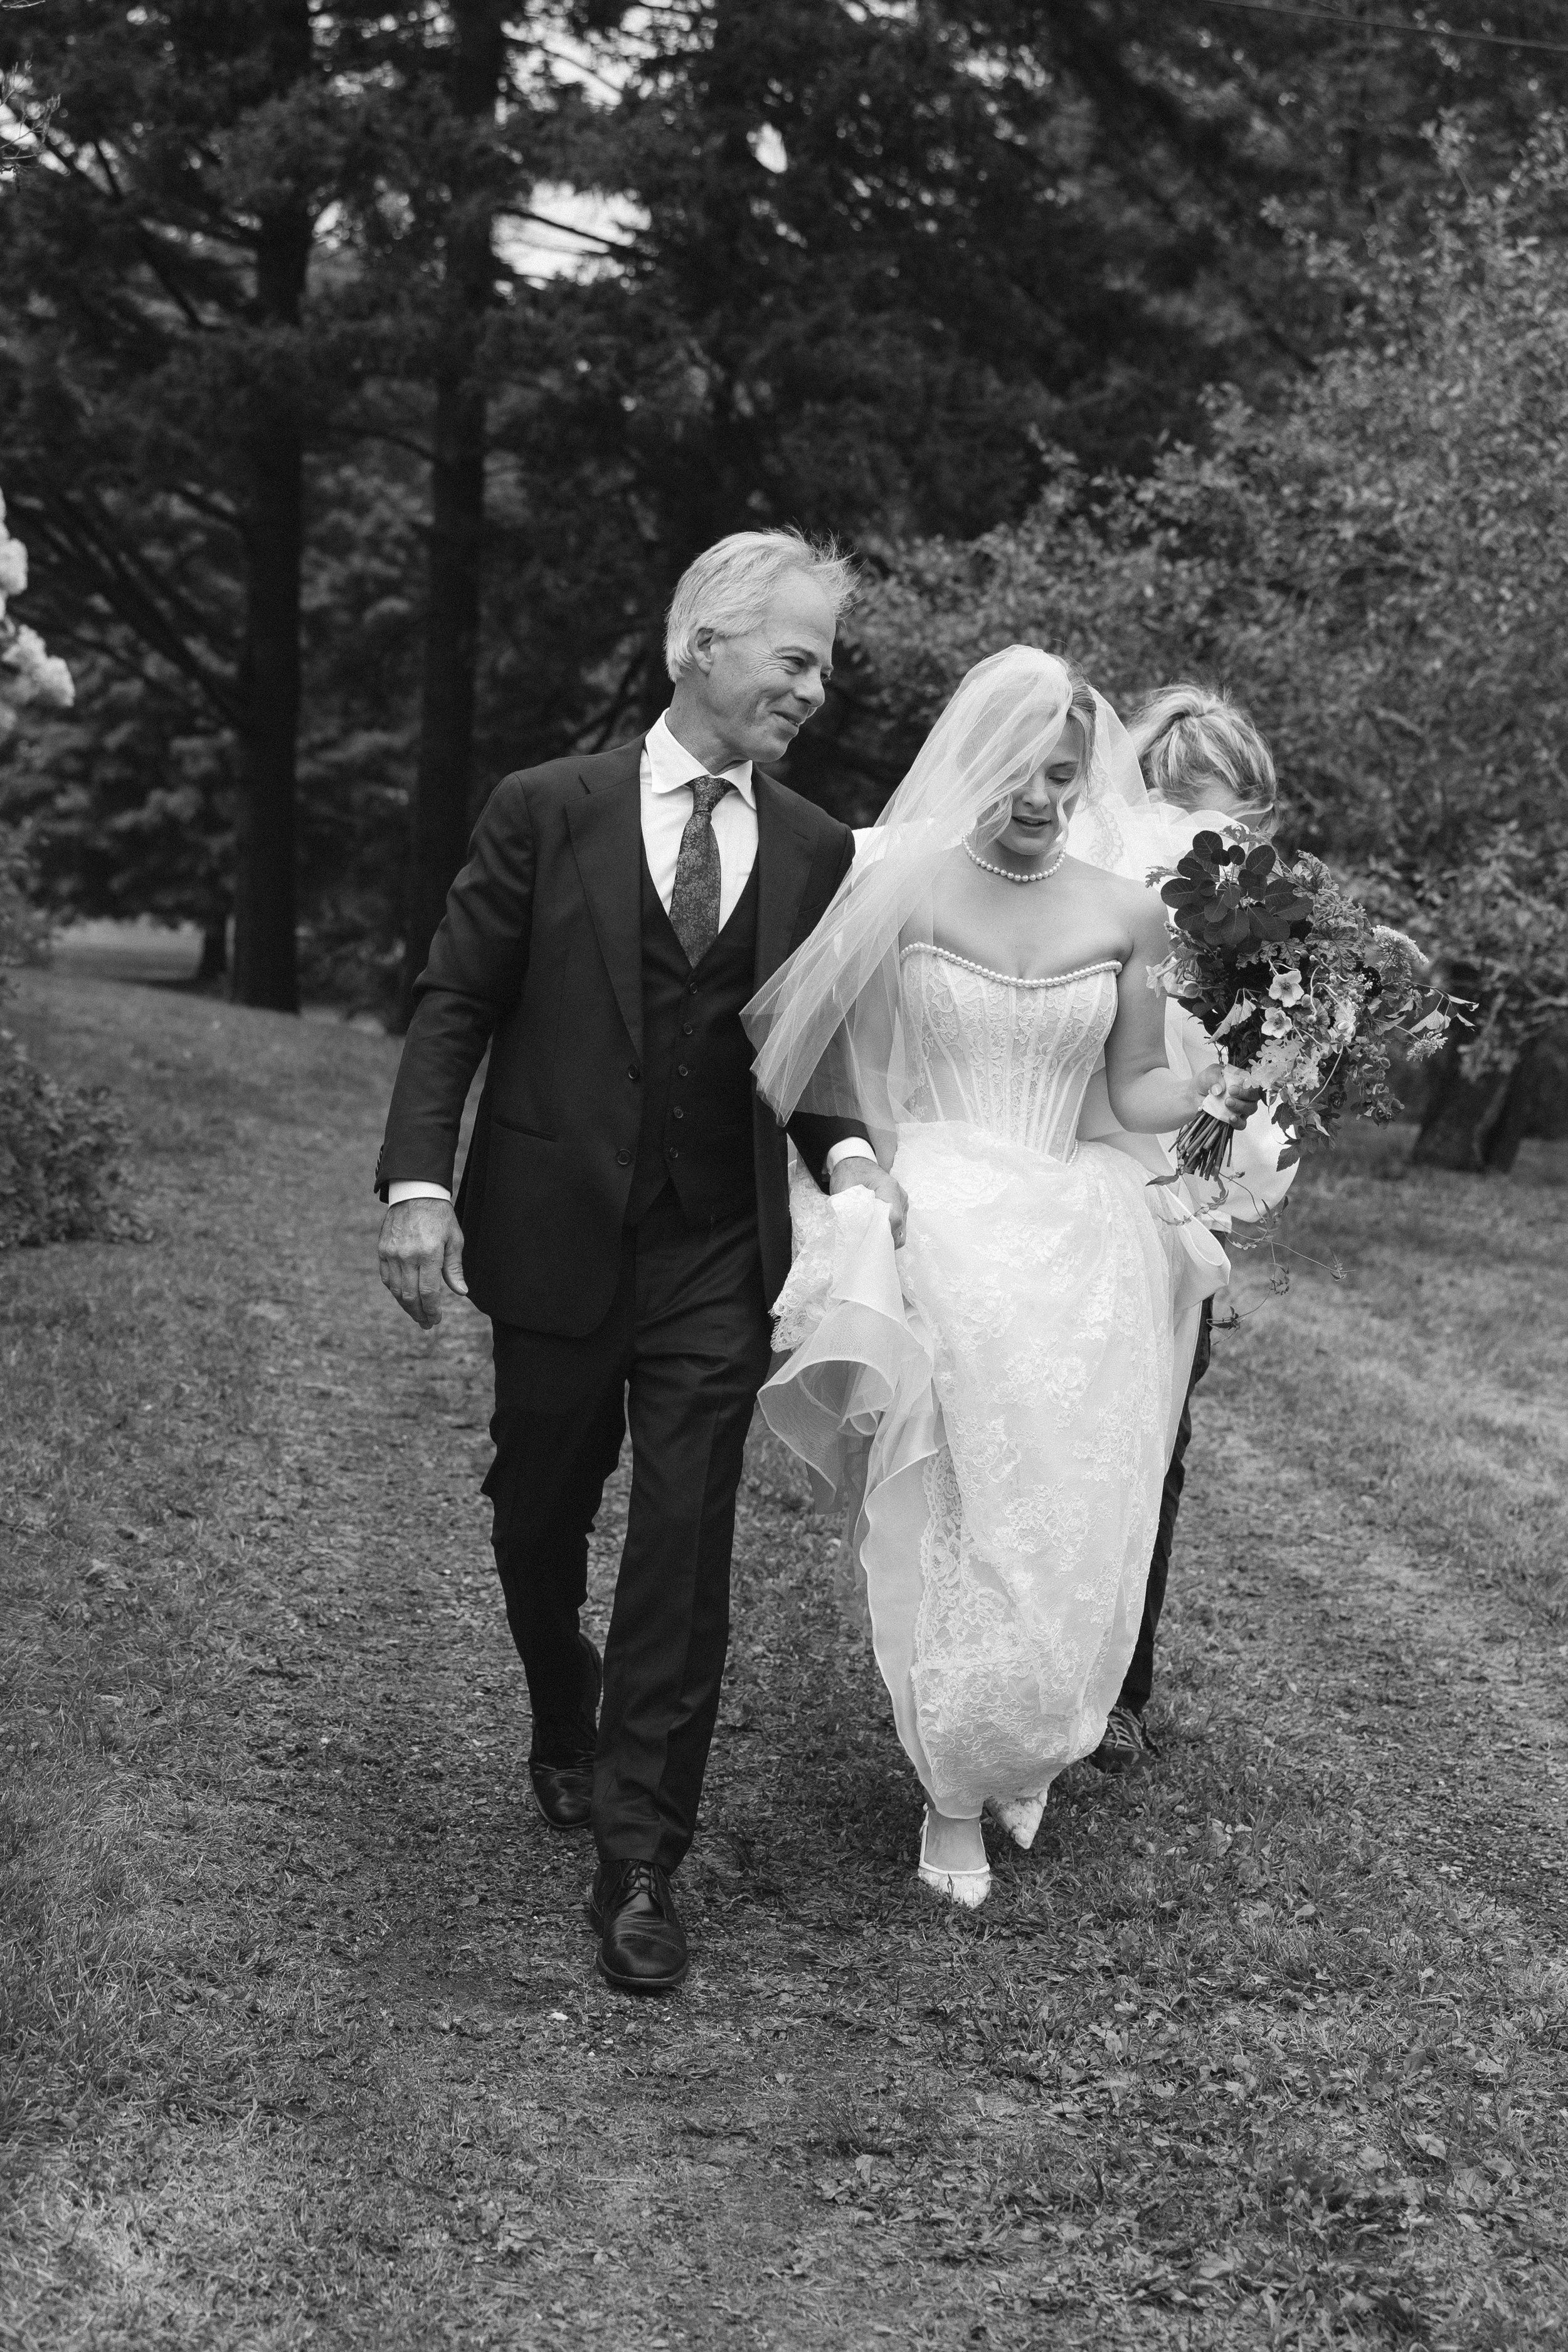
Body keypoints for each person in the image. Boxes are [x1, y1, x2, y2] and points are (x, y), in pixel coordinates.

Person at [374, 529, 904, 1993]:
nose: (813, 688)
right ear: (700, 646)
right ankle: (561, 1704)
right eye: (794, 658)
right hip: (551, 1233)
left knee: (683, 1539)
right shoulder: (548, 807)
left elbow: (804, 1052)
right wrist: (419, 1182)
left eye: (822, 666)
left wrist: (850, 1157)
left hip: (714, 1251)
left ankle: (641, 1856)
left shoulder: (815, 846)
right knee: (538, 1508)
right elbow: (453, 1002)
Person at [743, 647, 1255, 1908]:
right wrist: (863, 1177)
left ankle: (1022, 1728)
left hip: (1077, 1231)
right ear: (979, 764)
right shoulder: (901, 893)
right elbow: (825, 1066)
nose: (1039, 798)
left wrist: (1229, 1077)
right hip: (942, 1215)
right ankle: (949, 1788)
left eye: (1064, 777)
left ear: (1090, 781)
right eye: (1021, 773)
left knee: (1062, 1509)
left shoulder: (1127, 916)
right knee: (956, 1507)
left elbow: (1130, 1085)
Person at [1078, 683, 1294, 1774]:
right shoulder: (1098, 893)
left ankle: (1124, 1684)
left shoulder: (1253, 934)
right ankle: (1057, 1667)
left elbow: (1250, 1077)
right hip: (1083, 1191)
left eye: (1246, 831)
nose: (1229, 848)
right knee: (1079, 1438)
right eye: (1217, 823)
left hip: (1183, 1202)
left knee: (1161, 1442)